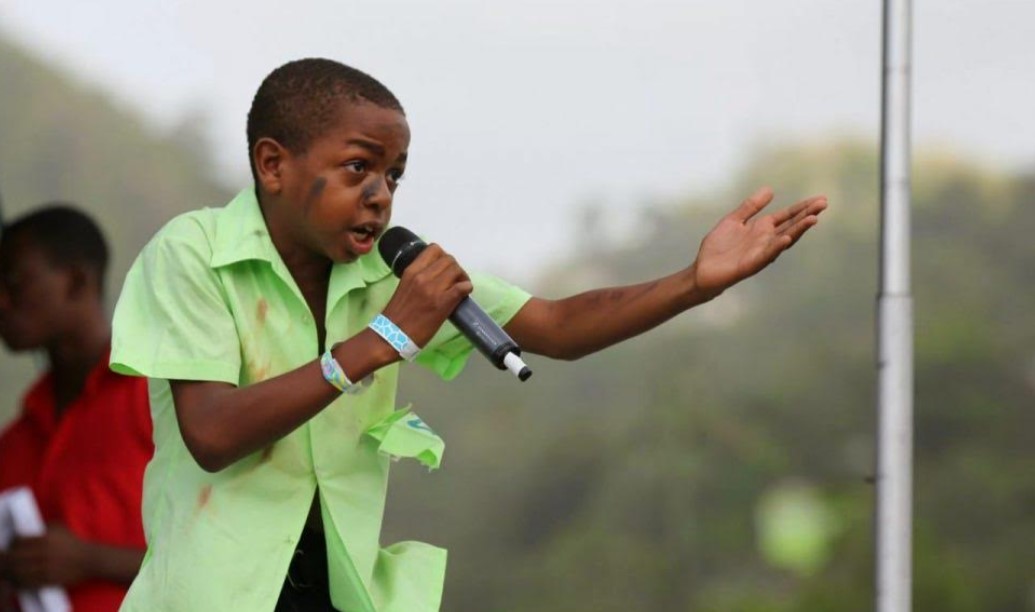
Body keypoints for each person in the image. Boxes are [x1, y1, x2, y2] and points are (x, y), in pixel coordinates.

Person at [109, 58, 827, 611]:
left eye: (394, 174)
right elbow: (210, 433)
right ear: (273, 164)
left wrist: (693, 283)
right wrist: (383, 339)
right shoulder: (193, 252)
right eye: (358, 166)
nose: (382, 194)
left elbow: (556, 324)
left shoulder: (394, 267)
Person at [0, 206, 152, 611]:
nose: (2, 300)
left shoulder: (160, 398)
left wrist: (91, 559)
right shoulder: (16, 437)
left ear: (76, 281)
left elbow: (225, 556)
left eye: (14, 283)